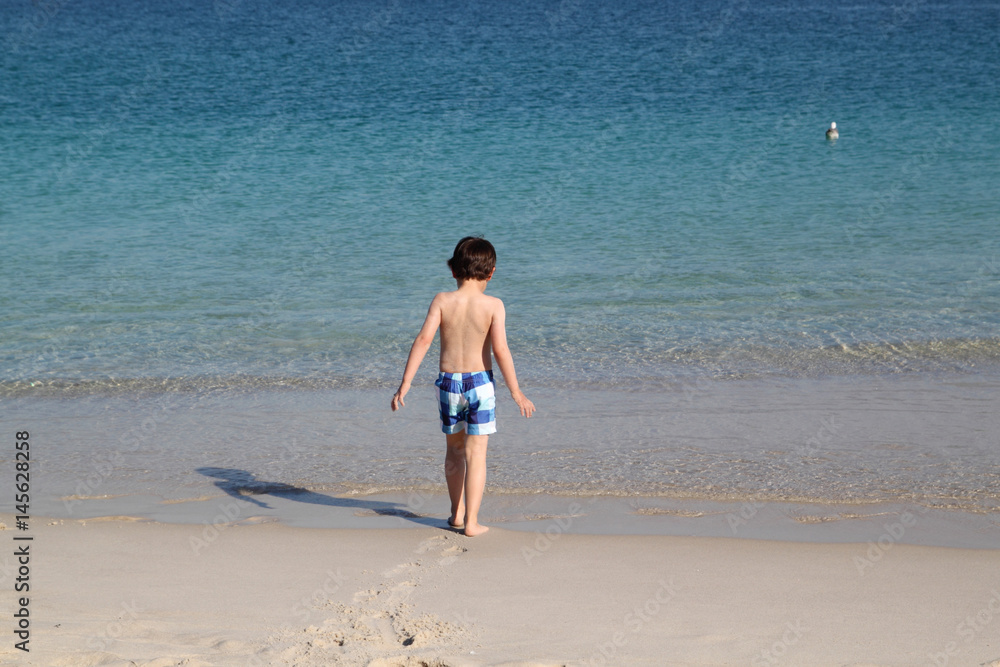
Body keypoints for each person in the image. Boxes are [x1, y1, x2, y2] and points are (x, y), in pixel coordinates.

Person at [391, 236, 535, 537]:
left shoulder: (442, 301)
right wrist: (516, 392)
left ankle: (456, 513)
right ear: (492, 272)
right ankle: (471, 522)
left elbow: (423, 341)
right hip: (480, 383)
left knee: (454, 451)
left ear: (453, 270)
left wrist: (404, 384)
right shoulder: (494, 305)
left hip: (448, 384)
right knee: (476, 454)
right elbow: (501, 351)